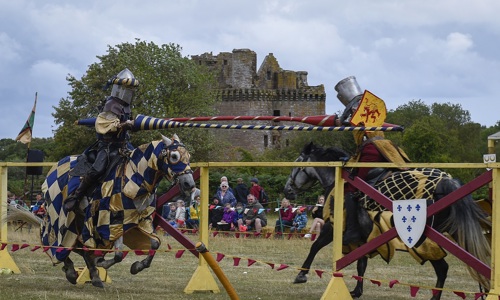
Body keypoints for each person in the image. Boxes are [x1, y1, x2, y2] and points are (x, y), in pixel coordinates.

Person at [334, 76, 410, 245]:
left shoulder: (359, 113)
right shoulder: (368, 110)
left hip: (371, 150)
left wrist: (339, 121)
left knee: (352, 187)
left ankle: (353, 230)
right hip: (385, 148)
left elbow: (348, 122)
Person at [64, 68, 139, 212]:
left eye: (130, 90)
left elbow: (126, 123)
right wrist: (126, 124)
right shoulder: (111, 105)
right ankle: (76, 197)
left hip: (124, 145)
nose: (128, 92)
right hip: (108, 146)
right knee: (97, 170)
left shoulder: (126, 106)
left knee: (139, 161)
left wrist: (134, 124)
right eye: (126, 89)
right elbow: (105, 126)